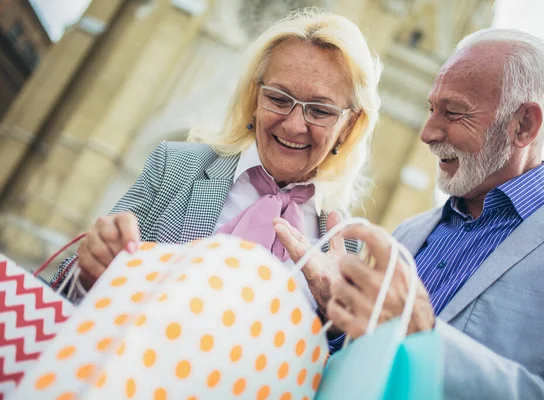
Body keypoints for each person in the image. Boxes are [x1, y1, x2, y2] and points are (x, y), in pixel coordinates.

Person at [276, 28, 544, 398]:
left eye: (454, 113)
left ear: (523, 125)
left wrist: (424, 338)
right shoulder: (408, 234)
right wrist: (338, 322)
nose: (428, 133)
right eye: (432, 109)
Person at [51, 8, 382, 324]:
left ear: (350, 125)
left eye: (320, 111)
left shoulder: (347, 241)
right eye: (279, 99)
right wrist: (88, 274)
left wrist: (336, 318)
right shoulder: (175, 167)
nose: (294, 125)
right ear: (255, 97)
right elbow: (66, 289)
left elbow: (331, 360)